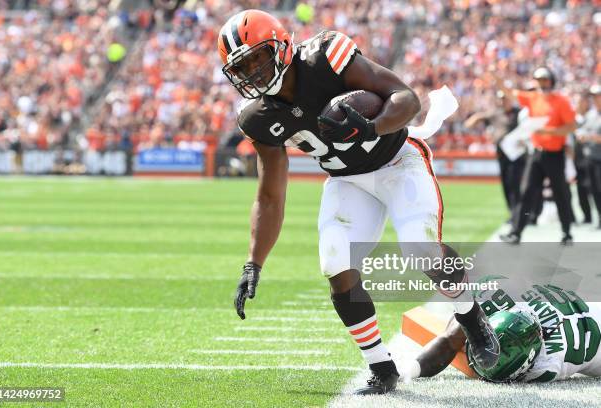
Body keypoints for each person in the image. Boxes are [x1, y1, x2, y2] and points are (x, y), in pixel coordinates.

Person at [218, 9, 499, 395]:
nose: (253, 73)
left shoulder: (324, 55)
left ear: (281, 44)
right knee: (335, 263)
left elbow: (406, 98)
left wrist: (372, 126)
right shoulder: (257, 116)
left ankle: (471, 317)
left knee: (419, 248)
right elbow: (269, 195)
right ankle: (382, 368)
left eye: (257, 58)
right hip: (346, 179)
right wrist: (254, 262)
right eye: (242, 67)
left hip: (399, 159)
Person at [401, 282, 601, 383]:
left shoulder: (546, 366)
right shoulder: (502, 294)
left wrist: (411, 370)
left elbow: (453, 339)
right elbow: (454, 337)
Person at [495, 67, 578, 245]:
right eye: (539, 80)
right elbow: (509, 94)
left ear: (552, 81)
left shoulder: (561, 101)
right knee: (526, 192)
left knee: (560, 193)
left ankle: (567, 233)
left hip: (555, 154)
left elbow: (571, 126)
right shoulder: (533, 98)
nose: (542, 83)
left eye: (545, 80)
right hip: (537, 153)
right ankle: (516, 232)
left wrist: (548, 131)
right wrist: (497, 78)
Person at [464, 91, 523, 223]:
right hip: (502, 152)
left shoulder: (518, 112)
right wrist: (473, 120)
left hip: (517, 153)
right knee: (506, 182)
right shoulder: (496, 113)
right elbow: (480, 117)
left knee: (516, 183)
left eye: (505, 99)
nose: (503, 102)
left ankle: (519, 213)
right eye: (501, 99)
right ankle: (513, 212)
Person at [577, 84, 601, 228]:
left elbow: (592, 136)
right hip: (591, 158)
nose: (596, 99)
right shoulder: (591, 115)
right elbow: (581, 130)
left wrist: (592, 137)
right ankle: (599, 215)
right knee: (594, 189)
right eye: (594, 97)